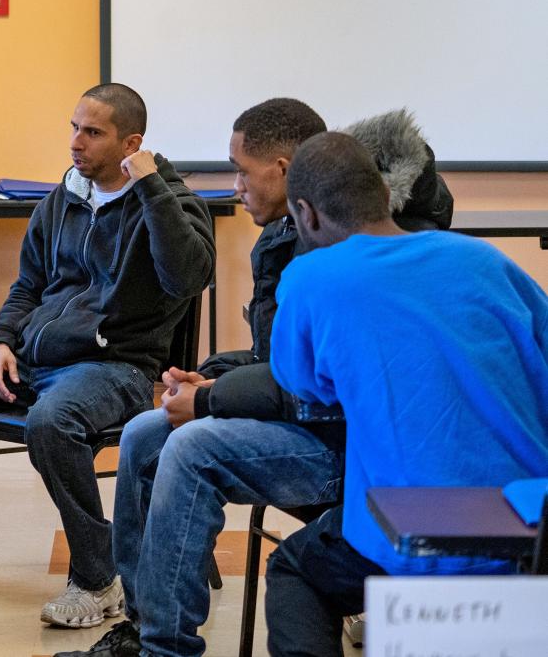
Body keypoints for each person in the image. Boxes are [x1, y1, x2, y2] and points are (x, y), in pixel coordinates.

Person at [57, 101, 455, 657]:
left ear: (287, 171)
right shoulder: (296, 236)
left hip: (360, 448)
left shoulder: (337, 257)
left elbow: (319, 391)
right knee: (144, 434)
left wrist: (211, 400)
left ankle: (166, 649)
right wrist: (215, 375)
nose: (234, 185)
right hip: (325, 423)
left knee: (192, 446)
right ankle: (145, 627)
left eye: (242, 170)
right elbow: (282, 361)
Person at [0, 83, 216, 628]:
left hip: (114, 367)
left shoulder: (171, 203)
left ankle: (98, 579)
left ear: (131, 143)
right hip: (30, 356)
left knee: (51, 422)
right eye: (74, 127)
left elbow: (188, 276)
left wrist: (151, 188)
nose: (76, 143)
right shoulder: (63, 198)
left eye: (92, 133)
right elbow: (27, 287)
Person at [263, 131, 548, 656]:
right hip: (532, 529)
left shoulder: (311, 277)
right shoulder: (484, 261)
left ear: (306, 214)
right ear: (382, 193)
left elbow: (303, 384)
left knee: (294, 569)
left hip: (419, 539)